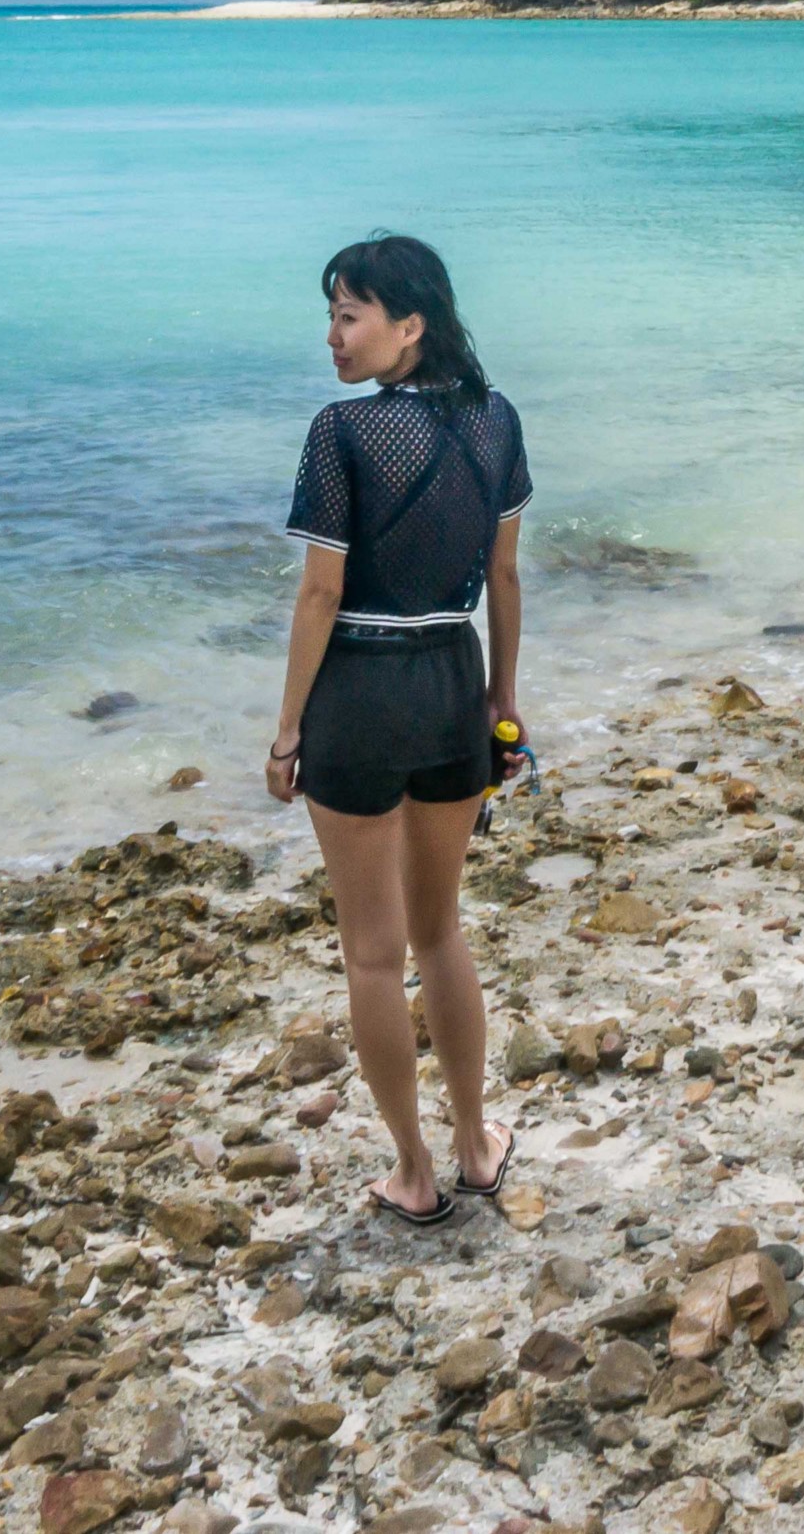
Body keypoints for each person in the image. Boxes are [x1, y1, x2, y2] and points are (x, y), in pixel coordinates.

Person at [267, 234, 530, 1225]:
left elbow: (322, 590)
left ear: (408, 324)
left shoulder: (342, 432)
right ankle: (475, 1144)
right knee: (443, 929)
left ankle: (414, 1171)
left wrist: (287, 731)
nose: (332, 335)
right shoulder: (497, 420)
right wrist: (504, 703)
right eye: (332, 313)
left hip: (360, 695)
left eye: (349, 313)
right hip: (453, 681)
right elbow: (502, 579)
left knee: (373, 954)